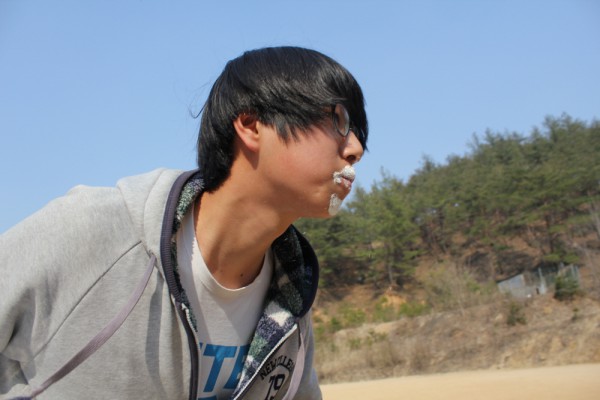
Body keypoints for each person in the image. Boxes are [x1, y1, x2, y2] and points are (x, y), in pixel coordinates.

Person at [0, 46, 368, 400]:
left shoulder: (291, 299)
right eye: (338, 121)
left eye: (357, 133)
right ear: (251, 125)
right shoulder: (91, 232)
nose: (355, 149)